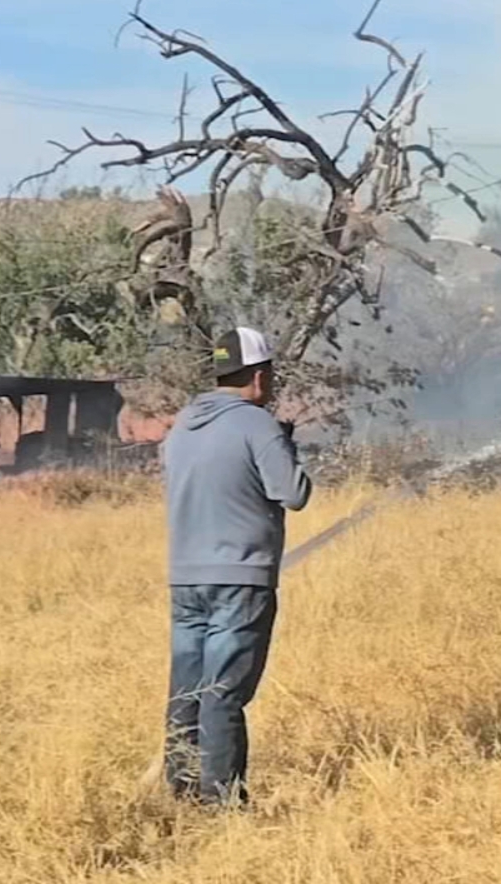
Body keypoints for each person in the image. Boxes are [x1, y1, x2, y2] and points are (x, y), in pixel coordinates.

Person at [161, 326, 312, 807]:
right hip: (239, 583)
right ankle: (222, 806)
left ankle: (181, 794)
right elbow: (294, 493)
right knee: (223, 695)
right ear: (261, 376)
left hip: (187, 579)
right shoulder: (256, 424)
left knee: (187, 691)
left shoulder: (182, 425)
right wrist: (284, 445)